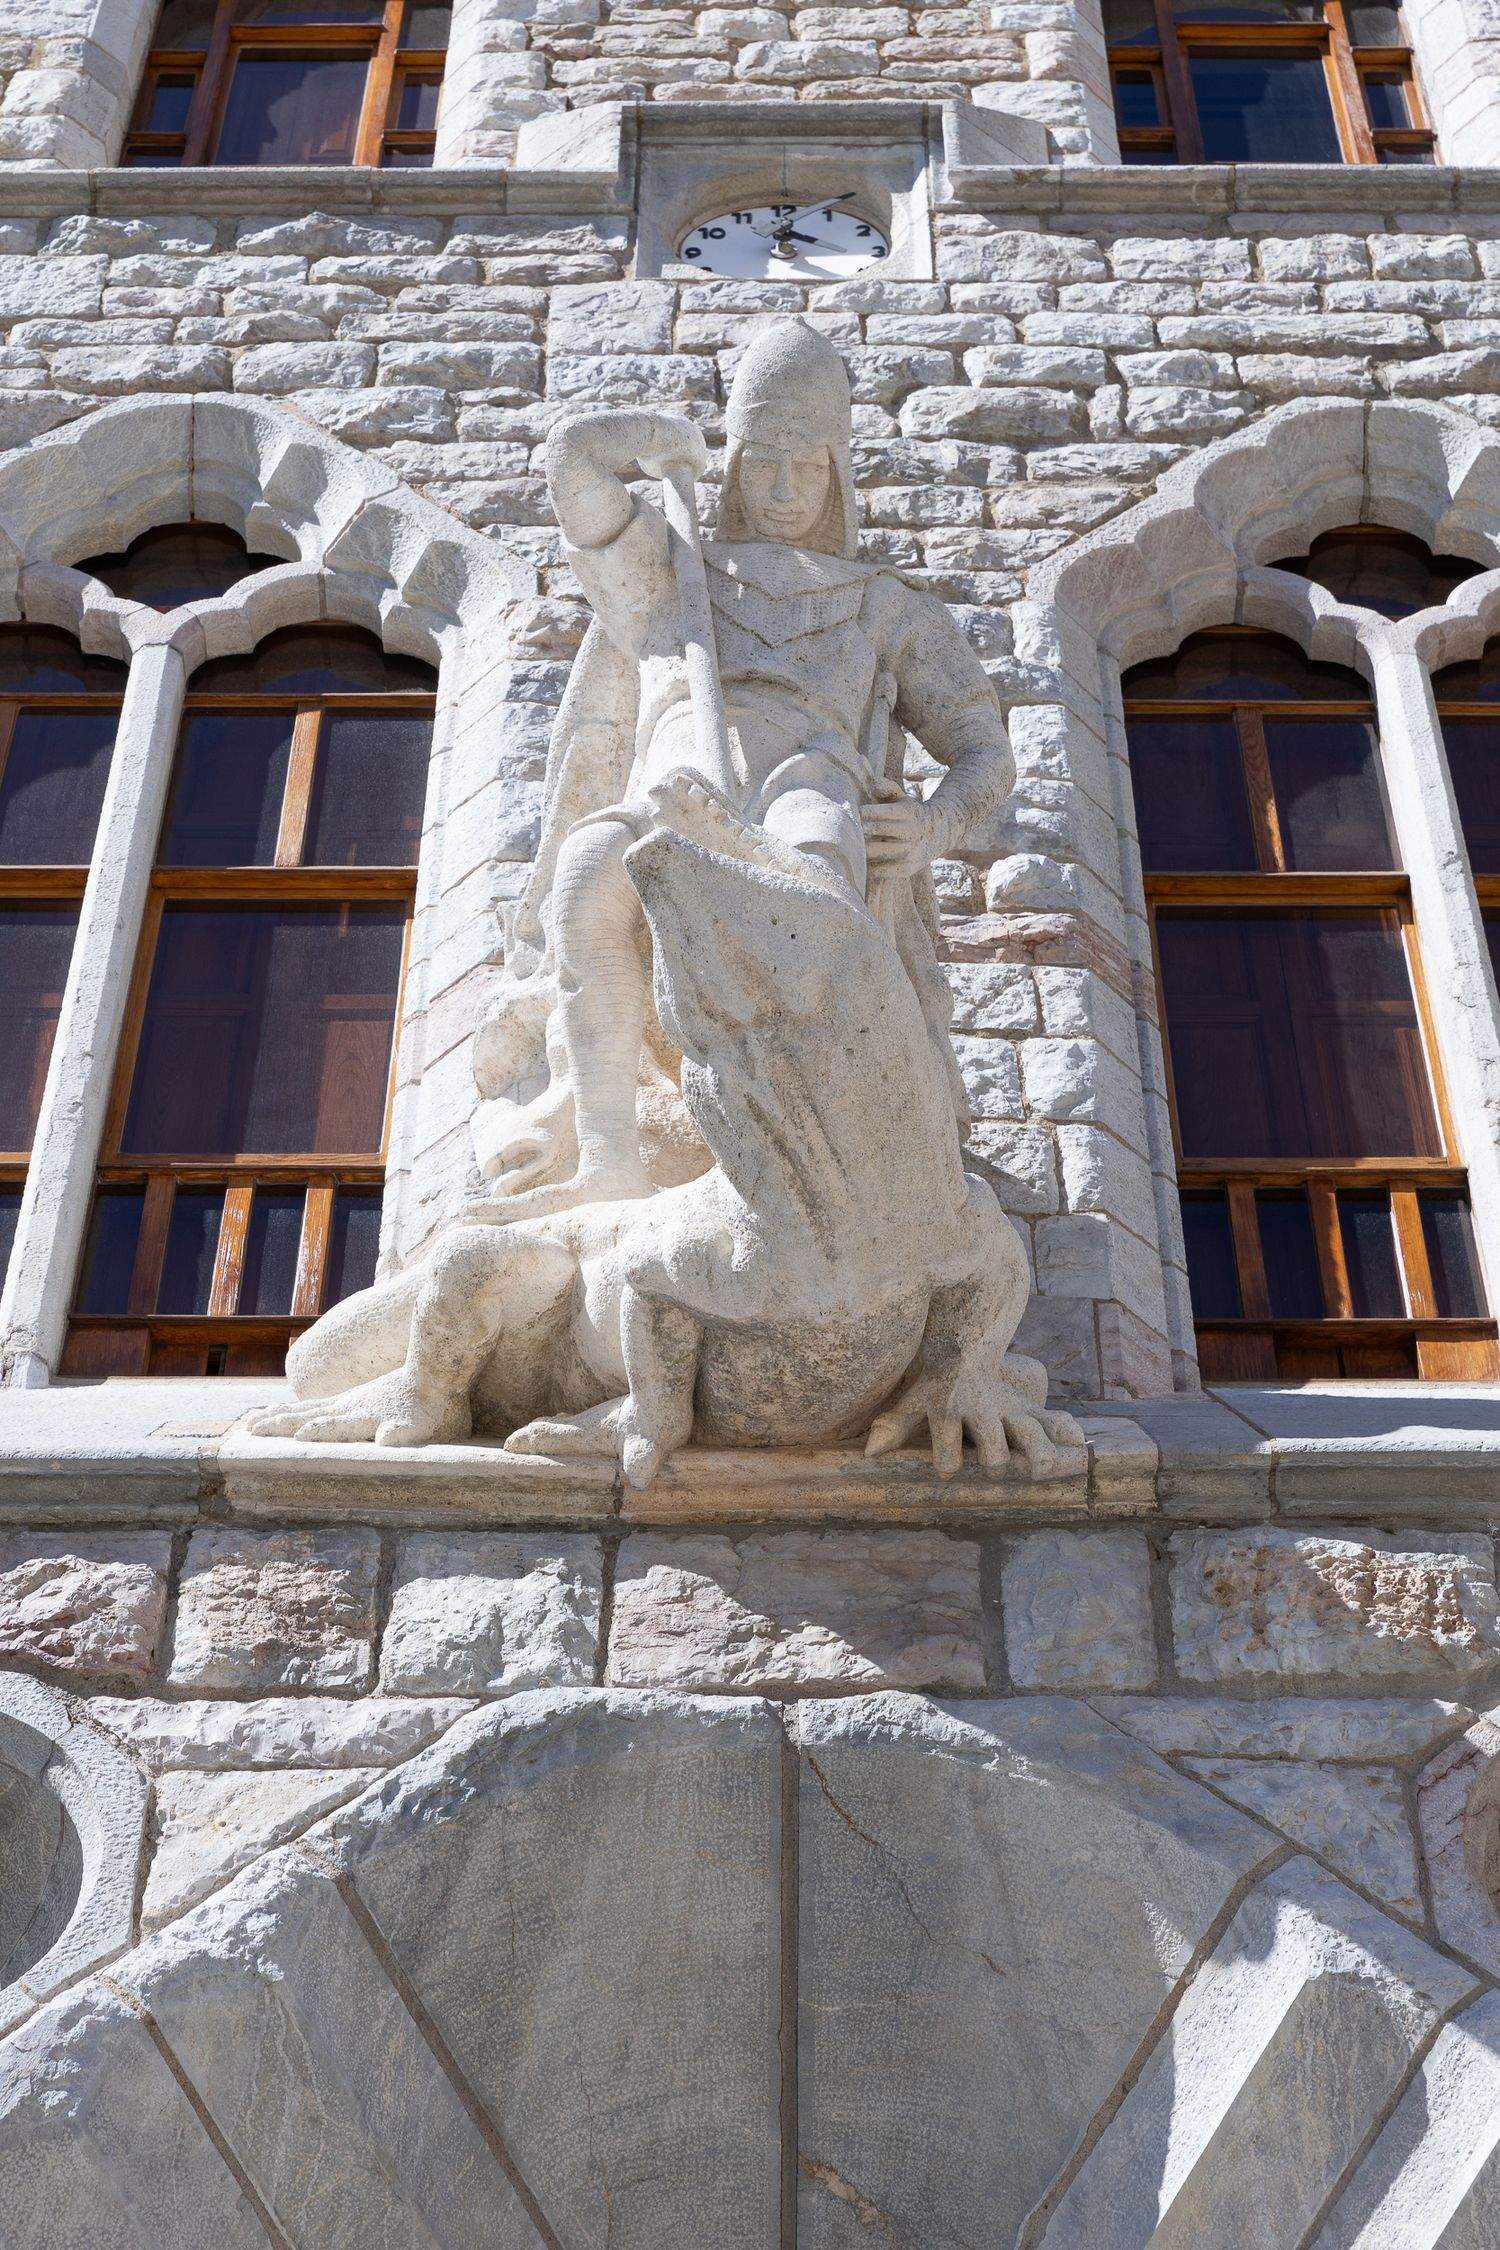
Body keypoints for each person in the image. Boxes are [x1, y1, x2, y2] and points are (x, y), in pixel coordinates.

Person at [487, 316, 1016, 1211]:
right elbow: (573, 466)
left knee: (811, 882)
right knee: (586, 878)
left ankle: (820, 1144)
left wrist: (931, 827)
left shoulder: (884, 607)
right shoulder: (671, 566)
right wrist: (658, 442)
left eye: (805, 466)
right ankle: (609, 1151)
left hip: (808, 777)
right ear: (732, 462)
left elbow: (983, 754)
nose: (779, 485)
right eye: (762, 457)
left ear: (837, 476)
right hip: (676, 777)